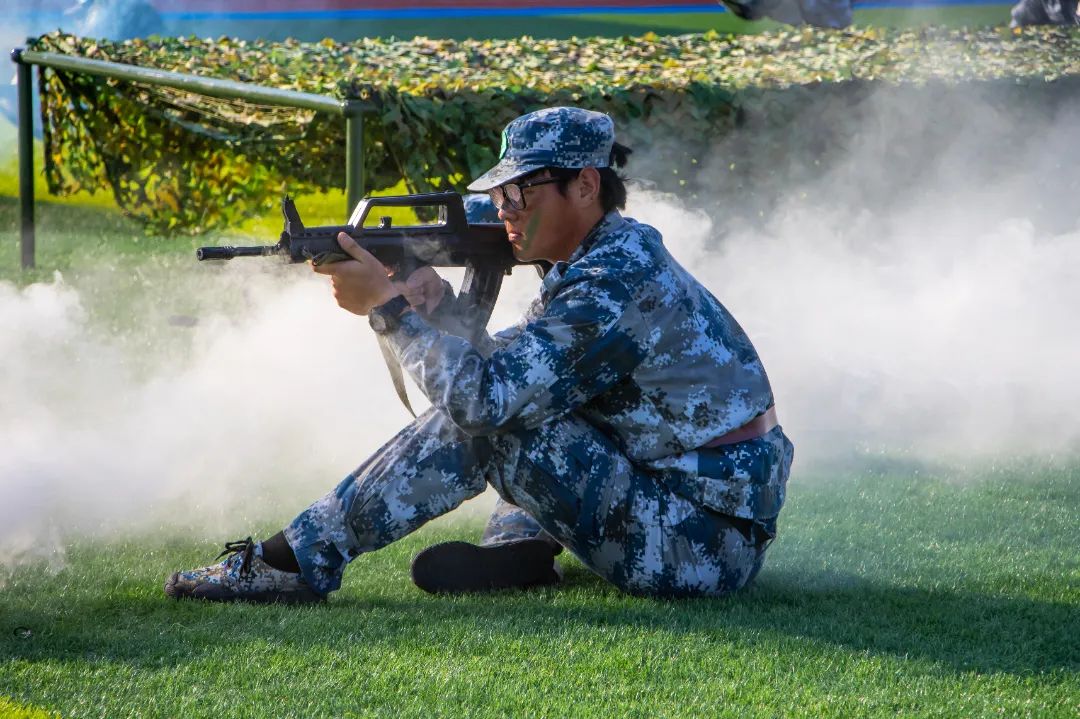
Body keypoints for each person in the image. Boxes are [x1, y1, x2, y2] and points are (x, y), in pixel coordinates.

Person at [164, 107, 794, 604]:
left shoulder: (610, 282)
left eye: (522, 192)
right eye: (500, 194)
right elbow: (527, 372)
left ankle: (293, 563)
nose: (504, 210)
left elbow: (486, 402)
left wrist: (390, 310)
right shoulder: (608, 256)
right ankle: (521, 547)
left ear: (585, 185)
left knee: (487, 423)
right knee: (514, 401)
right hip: (691, 512)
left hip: (698, 547)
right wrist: (437, 311)